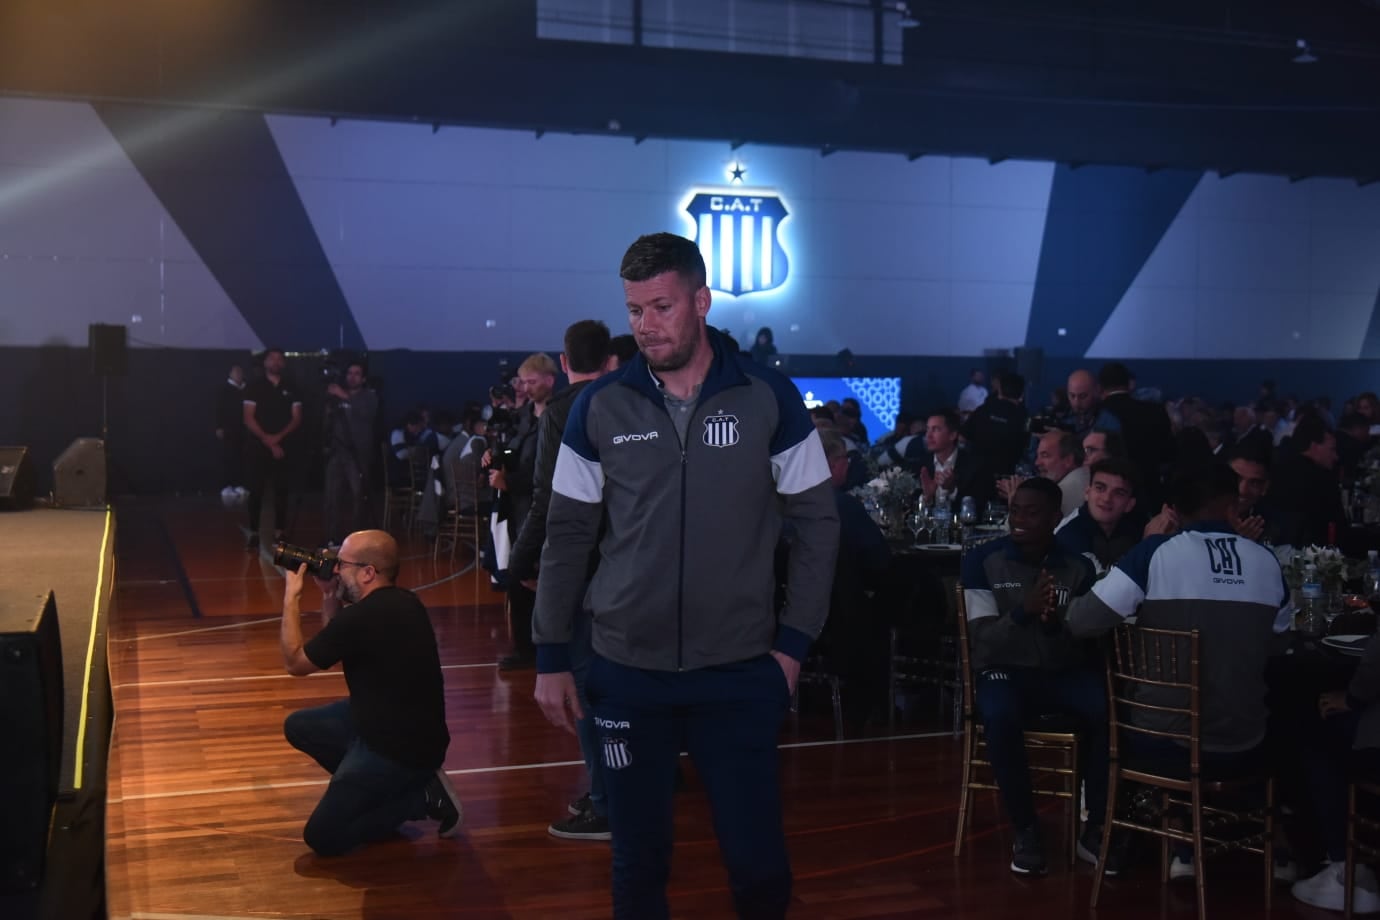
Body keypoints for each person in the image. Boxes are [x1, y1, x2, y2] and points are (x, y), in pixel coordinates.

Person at [532, 232, 839, 919]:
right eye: (635, 310)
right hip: (625, 671)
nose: (645, 325)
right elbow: (568, 534)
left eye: (661, 307)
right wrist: (551, 652)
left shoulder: (768, 396)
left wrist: (792, 645)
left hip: (738, 671)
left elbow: (819, 522)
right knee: (638, 863)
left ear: (700, 301)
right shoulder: (599, 405)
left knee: (757, 863)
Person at [1063, 464, 1292, 879]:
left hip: (1164, 744)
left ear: (1172, 509)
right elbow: (1280, 641)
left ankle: (1109, 835)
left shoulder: (1154, 554)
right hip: (1245, 740)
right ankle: (1268, 844)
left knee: (1105, 712)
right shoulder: (1267, 561)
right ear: (1232, 505)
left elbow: (1081, 622)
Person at [279, 529, 462, 856]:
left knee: (322, 836)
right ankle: (382, 790)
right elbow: (335, 643)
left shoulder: (364, 617)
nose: (335, 569)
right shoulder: (404, 601)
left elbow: (295, 662)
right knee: (299, 726)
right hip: (388, 723)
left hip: (398, 748)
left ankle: (420, 798)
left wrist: (292, 593)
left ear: (368, 573)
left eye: (342, 564)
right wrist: (328, 597)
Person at [960, 477, 1105, 877]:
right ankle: (1026, 828)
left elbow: (1083, 644)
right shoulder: (982, 560)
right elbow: (981, 640)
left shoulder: (1076, 566)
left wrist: (1055, 626)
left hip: (1059, 671)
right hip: (1002, 670)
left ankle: (1095, 826)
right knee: (1000, 716)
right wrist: (1022, 613)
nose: (1019, 519)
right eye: (1015, 510)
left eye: (1032, 511)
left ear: (1055, 518)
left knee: (1104, 709)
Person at [507, 320, 614, 841]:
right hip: (628, 567)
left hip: (583, 568)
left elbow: (553, 502)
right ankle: (633, 782)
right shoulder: (631, 400)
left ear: (563, 361)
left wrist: (519, 565)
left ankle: (606, 801)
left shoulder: (567, 411)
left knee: (591, 689)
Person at [489, 352, 557, 671]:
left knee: (542, 582)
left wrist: (509, 481)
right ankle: (524, 648)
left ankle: (546, 649)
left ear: (549, 380)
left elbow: (547, 473)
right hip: (519, 511)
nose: (525, 388)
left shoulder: (556, 418)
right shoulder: (526, 416)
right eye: (523, 382)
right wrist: (495, 455)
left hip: (541, 511)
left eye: (531, 382)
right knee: (519, 580)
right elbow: (514, 450)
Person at [242, 349, 302, 551]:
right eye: (272, 358)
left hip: (284, 446)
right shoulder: (254, 386)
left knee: (281, 491)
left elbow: (296, 417)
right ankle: (254, 533)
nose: (275, 362)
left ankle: (279, 532)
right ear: (265, 362)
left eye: (279, 359)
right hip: (258, 446)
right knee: (256, 490)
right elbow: (248, 417)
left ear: (283, 363)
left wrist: (279, 438)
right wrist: (267, 440)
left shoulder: (291, 387)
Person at [322, 361, 378, 549]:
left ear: (363, 378)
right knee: (333, 495)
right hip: (338, 450)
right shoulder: (336, 399)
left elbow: (367, 415)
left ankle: (356, 538)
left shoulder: (369, 397)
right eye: (349, 373)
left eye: (357, 373)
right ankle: (333, 537)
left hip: (359, 453)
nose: (352, 377)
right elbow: (328, 421)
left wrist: (344, 396)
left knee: (358, 495)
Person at [1054, 458, 1147, 572]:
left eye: (1118, 493)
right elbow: (1102, 586)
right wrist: (1147, 547)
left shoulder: (1134, 528)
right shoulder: (1069, 535)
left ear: (1129, 504)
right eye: (1100, 488)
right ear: (1087, 493)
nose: (1107, 498)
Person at [216, 365, 247, 506]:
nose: (238, 374)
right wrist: (218, 427)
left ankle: (239, 484)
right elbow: (218, 409)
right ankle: (227, 486)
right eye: (236, 372)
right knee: (229, 457)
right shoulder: (224, 391)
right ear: (230, 374)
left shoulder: (246, 390)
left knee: (242, 458)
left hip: (244, 430)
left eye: (240, 372)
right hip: (228, 429)